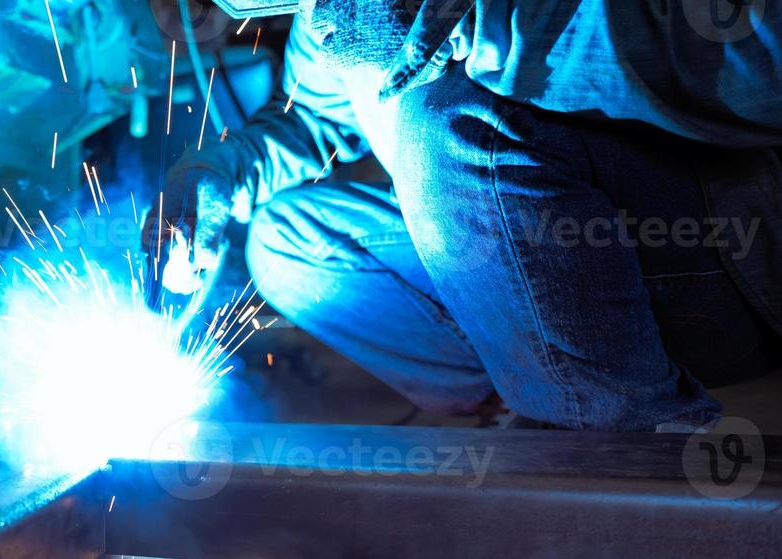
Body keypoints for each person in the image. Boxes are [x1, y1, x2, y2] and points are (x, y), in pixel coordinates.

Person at [145, 0, 782, 431]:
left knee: (443, 130)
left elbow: (759, 65)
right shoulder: (325, 13)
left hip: (724, 255)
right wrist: (218, 174)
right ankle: (531, 396)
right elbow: (315, 118)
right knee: (289, 239)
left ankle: (631, 456)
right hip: (555, 276)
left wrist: (477, 22)